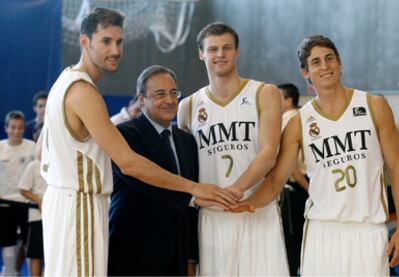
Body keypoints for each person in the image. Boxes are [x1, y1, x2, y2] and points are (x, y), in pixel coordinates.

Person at [39, 8, 237, 277]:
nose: (116, 50)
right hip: (79, 204)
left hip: (66, 202)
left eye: (119, 42)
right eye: (106, 41)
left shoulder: (63, 82)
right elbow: (129, 163)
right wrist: (194, 187)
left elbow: (41, 151)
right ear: (84, 42)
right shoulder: (83, 90)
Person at [233, 34, 399, 275]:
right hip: (322, 230)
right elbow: (275, 182)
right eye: (316, 62)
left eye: (329, 58)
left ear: (339, 63)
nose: (325, 66)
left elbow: (397, 170)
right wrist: (247, 204)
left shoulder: (373, 105)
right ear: (305, 72)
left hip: (368, 228)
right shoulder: (299, 122)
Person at [178, 22, 289, 275]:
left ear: (237, 51)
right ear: (201, 54)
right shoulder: (188, 105)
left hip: (256, 208)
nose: (220, 54)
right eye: (213, 49)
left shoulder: (264, 92)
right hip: (213, 215)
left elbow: (269, 153)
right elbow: (186, 166)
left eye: (227, 48)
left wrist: (236, 189)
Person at [108, 65, 199, 276]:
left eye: (173, 93)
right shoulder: (124, 134)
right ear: (141, 99)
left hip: (176, 253)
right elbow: (148, 183)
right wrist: (196, 195)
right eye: (160, 94)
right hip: (133, 250)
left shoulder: (186, 141)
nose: (169, 100)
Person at [279, 83, 309, 276]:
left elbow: (290, 164)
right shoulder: (304, 117)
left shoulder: (287, 121)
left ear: (288, 101)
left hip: (297, 187)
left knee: (292, 242)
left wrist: (307, 188)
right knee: (304, 240)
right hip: (306, 184)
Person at [0, 111, 35, 276]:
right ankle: (8, 273)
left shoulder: (32, 147)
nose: (16, 131)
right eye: (13, 127)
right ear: (6, 128)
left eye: (20, 127)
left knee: (30, 244)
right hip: (5, 203)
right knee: (8, 245)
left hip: (28, 203)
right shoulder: (0, 147)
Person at [18, 123, 46, 277]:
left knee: (52, 251)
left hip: (54, 217)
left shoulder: (59, 164)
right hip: (37, 217)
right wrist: (39, 200)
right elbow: (24, 188)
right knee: (35, 253)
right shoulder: (34, 166)